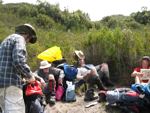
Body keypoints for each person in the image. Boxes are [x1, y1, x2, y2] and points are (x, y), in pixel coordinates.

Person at [0, 24, 37, 113]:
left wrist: (23, 78)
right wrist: (30, 76)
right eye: (28, 40)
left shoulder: (6, 41)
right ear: (27, 35)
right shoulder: (20, 39)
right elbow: (18, 61)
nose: (27, 42)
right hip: (12, 86)